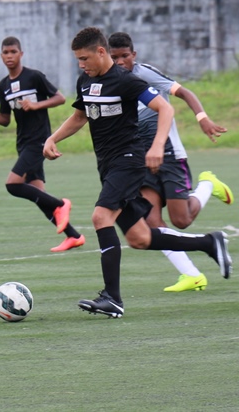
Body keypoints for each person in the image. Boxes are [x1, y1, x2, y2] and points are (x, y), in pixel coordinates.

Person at [42, 27, 231, 318]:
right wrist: (53, 138)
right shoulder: (86, 81)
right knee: (140, 238)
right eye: (77, 59)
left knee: (100, 217)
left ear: (100, 52)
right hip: (107, 166)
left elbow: (165, 110)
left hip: (128, 162)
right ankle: (209, 243)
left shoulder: (126, 80)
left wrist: (156, 146)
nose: (80, 65)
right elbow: (80, 116)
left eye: (84, 58)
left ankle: (112, 299)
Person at [108, 31, 233, 292]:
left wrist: (202, 118)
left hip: (169, 154)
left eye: (124, 56)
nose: (120, 62)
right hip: (141, 160)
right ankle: (192, 274)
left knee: (181, 220)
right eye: (114, 57)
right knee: (152, 222)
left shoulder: (144, 74)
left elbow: (184, 93)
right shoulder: (112, 83)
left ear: (134, 55)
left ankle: (208, 184)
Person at [0, 36, 85, 252]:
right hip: (23, 143)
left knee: (13, 185)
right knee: (38, 195)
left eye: (13, 52)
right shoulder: (3, 86)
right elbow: (5, 119)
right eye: (6, 52)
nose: (9, 56)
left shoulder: (34, 77)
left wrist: (36, 105)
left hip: (39, 140)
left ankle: (60, 204)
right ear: (1, 56)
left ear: (21, 54)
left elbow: (60, 98)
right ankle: (73, 236)